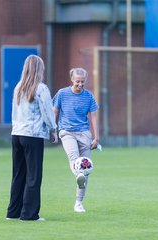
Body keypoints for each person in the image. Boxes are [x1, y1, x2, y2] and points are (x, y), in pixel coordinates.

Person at [6, 55, 58, 222]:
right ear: (39, 69)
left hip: (17, 134)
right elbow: (48, 112)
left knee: (18, 174)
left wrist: (15, 128)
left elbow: (14, 112)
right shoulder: (41, 88)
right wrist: (53, 129)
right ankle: (29, 214)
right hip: (33, 135)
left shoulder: (18, 87)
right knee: (33, 175)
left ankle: (13, 212)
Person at [53, 67, 99, 213]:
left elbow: (93, 116)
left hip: (84, 133)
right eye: (77, 81)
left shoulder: (89, 96)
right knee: (74, 158)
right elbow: (55, 111)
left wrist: (96, 137)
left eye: (83, 82)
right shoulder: (62, 94)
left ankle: (79, 202)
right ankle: (78, 173)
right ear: (72, 80)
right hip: (66, 132)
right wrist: (53, 130)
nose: (80, 84)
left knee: (86, 168)